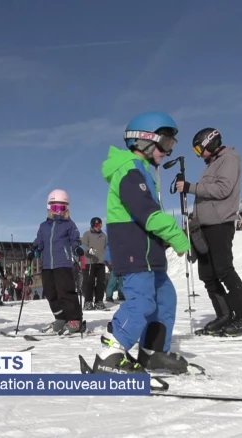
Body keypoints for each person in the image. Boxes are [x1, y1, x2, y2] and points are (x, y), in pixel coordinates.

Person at [95, 111, 191, 375]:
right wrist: (175, 234)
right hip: (134, 251)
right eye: (166, 144)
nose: (168, 151)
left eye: (172, 146)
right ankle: (110, 353)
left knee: (164, 298)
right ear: (146, 140)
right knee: (141, 301)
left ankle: (152, 352)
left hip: (150, 254)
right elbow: (144, 212)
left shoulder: (143, 171)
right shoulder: (128, 169)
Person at [174, 127, 242, 337]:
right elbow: (205, 198)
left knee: (224, 270)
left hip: (220, 224)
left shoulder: (229, 158)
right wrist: (194, 218)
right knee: (208, 275)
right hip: (204, 226)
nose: (199, 154)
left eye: (199, 149)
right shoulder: (212, 164)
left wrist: (191, 187)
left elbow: (223, 189)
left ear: (210, 142)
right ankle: (225, 314)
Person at [27, 189, 85, 334]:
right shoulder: (43, 226)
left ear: (67, 209)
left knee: (65, 293)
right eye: (55, 208)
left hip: (63, 264)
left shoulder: (69, 225)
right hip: (47, 265)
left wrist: (77, 248)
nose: (58, 211)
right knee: (50, 293)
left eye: (62, 208)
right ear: (49, 208)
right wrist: (34, 250)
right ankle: (61, 318)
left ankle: (75, 319)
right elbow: (39, 242)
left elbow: (75, 239)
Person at [81, 217, 108, 310]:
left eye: (100, 225)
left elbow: (107, 247)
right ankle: (88, 302)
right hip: (90, 262)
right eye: (97, 225)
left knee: (101, 283)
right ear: (92, 225)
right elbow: (83, 245)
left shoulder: (104, 235)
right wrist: (88, 250)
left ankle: (99, 302)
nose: (98, 227)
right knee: (89, 282)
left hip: (101, 262)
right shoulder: (87, 234)